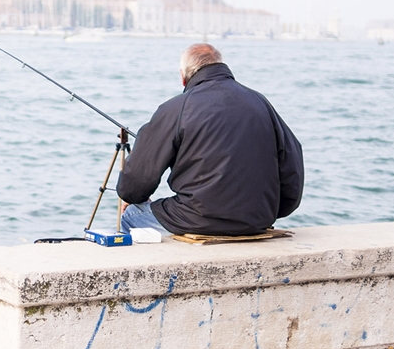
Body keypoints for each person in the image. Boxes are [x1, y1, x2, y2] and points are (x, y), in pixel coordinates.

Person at [117, 43, 304, 237]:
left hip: (198, 220)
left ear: (183, 77)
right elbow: (293, 162)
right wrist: (273, 210)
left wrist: (134, 197)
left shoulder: (177, 108)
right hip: (257, 220)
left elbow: (133, 186)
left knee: (132, 214)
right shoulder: (260, 102)